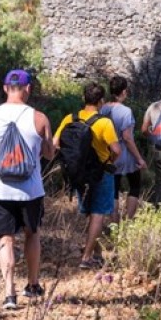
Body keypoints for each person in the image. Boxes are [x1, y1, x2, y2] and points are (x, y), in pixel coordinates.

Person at [0, 70, 55, 310]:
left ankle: (9, 293)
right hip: (31, 191)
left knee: (5, 238)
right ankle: (33, 284)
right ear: (28, 89)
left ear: (6, 88)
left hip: (0, 191)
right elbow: (49, 153)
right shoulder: (39, 118)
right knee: (32, 233)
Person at [54, 82, 121, 270]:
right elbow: (117, 149)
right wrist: (109, 160)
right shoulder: (104, 122)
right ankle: (86, 257)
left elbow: (55, 143)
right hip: (101, 173)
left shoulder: (70, 118)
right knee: (98, 214)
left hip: (78, 173)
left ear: (84, 99)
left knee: (90, 213)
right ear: (101, 101)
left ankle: (97, 252)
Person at [100, 76, 147, 221]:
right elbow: (127, 137)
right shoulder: (126, 111)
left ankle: (114, 222)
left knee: (113, 188)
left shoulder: (103, 108)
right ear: (124, 91)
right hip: (124, 154)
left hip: (107, 152)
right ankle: (129, 220)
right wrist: (139, 158)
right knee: (134, 184)